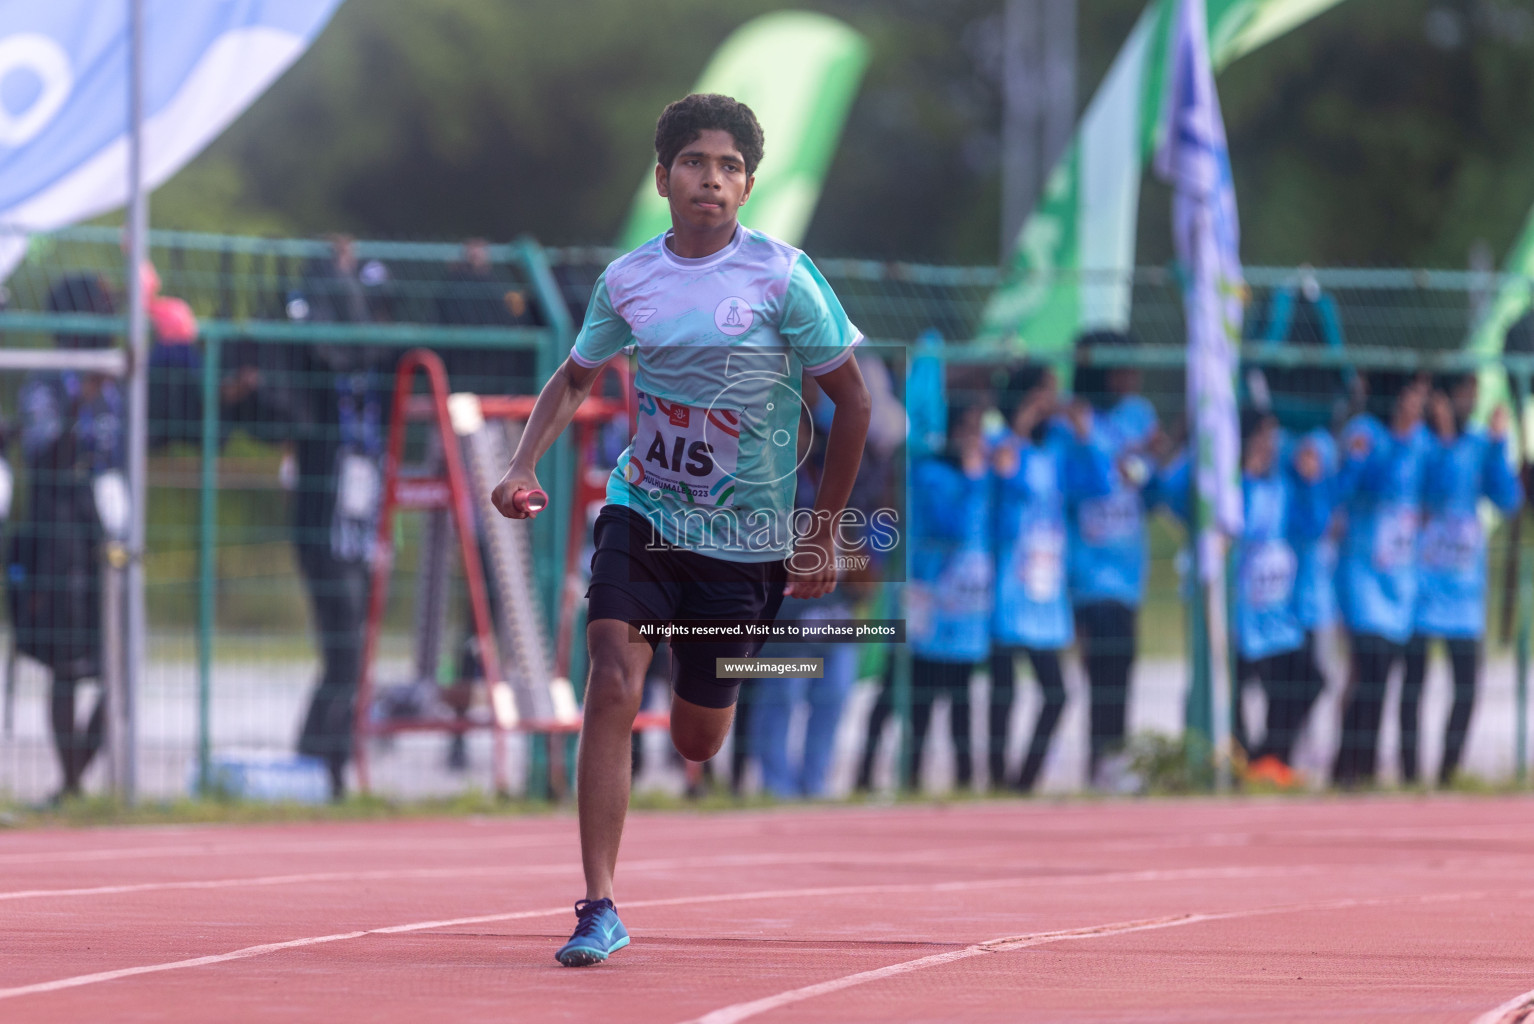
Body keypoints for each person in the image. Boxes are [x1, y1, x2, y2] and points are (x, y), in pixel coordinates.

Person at [490, 93, 870, 966]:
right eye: (697, 162)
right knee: (614, 674)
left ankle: (698, 720)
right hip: (645, 508)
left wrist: (821, 532)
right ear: (664, 178)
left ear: (748, 185)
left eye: (732, 166)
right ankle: (598, 905)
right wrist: (520, 466)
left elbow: (852, 404)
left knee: (698, 739)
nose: (713, 178)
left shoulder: (783, 277)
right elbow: (576, 378)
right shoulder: (630, 280)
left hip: (745, 542)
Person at [1164, 410, 1334, 785]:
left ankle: (1269, 757)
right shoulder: (1227, 488)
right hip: (1235, 615)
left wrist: (1310, 483)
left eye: (1273, 438)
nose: (1270, 446)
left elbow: (1314, 524)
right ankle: (1232, 765)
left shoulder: (1283, 485)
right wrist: (1227, 464)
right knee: (1228, 691)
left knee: (1308, 680)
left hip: (1275, 615)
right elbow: (1174, 494)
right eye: (1262, 438)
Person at [6, 276, 125, 802]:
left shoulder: (119, 379)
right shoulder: (49, 384)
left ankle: (77, 774)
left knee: (118, 662)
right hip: (58, 538)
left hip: (108, 535)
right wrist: (83, 400)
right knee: (66, 664)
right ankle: (71, 782)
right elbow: (44, 456)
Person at [858, 401, 991, 794]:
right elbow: (953, 528)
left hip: (965, 611)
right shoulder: (932, 475)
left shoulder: (973, 476)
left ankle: (966, 779)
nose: (977, 440)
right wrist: (972, 477)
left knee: (961, 698)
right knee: (904, 692)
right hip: (927, 604)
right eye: (969, 431)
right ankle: (878, 773)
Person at [988, 363, 1110, 791]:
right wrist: (1019, 429)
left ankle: (1024, 781)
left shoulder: (1057, 451)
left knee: (1056, 693)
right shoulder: (1001, 444)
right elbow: (1007, 488)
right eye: (1044, 394)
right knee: (1003, 692)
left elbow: (1099, 485)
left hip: (1046, 588)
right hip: (1008, 584)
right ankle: (995, 780)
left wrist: (1084, 435)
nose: (1050, 403)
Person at [1400, 374, 1521, 786]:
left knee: (1467, 687)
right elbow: (1431, 485)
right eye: (1462, 396)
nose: (1469, 403)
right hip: (1422, 587)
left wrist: (1500, 444)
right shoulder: (1425, 444)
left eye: (1473, 396)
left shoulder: (1479, 446)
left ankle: (1448, 772)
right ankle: (1409, 772)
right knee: (1413, 686)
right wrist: (1447, 436)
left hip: (1464, 593)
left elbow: (1507, 498)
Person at [1066, 330, 1160, 785]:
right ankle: (1100, 757)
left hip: (1128, 568)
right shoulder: (1074, 419)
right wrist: (1107, 455)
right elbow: (1088, 482)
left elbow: (1145, 473)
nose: (1133, 377)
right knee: (1101, 662)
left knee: (1124, 661)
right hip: (1088, 567)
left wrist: (1137, 463)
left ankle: (1112, 757)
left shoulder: (1140, 415)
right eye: (1123, 367)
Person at [1332, 371, 1431, 787]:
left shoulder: (1421, 439)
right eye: (1412, 395)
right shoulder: (1367, 433)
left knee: (1385, 675)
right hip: (1362, 573)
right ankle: (1348, 766)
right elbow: (1360, 484)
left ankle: (1366, 765)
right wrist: (1397, 440)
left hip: (1401, 579)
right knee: (1368, 669)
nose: (1417, 405)